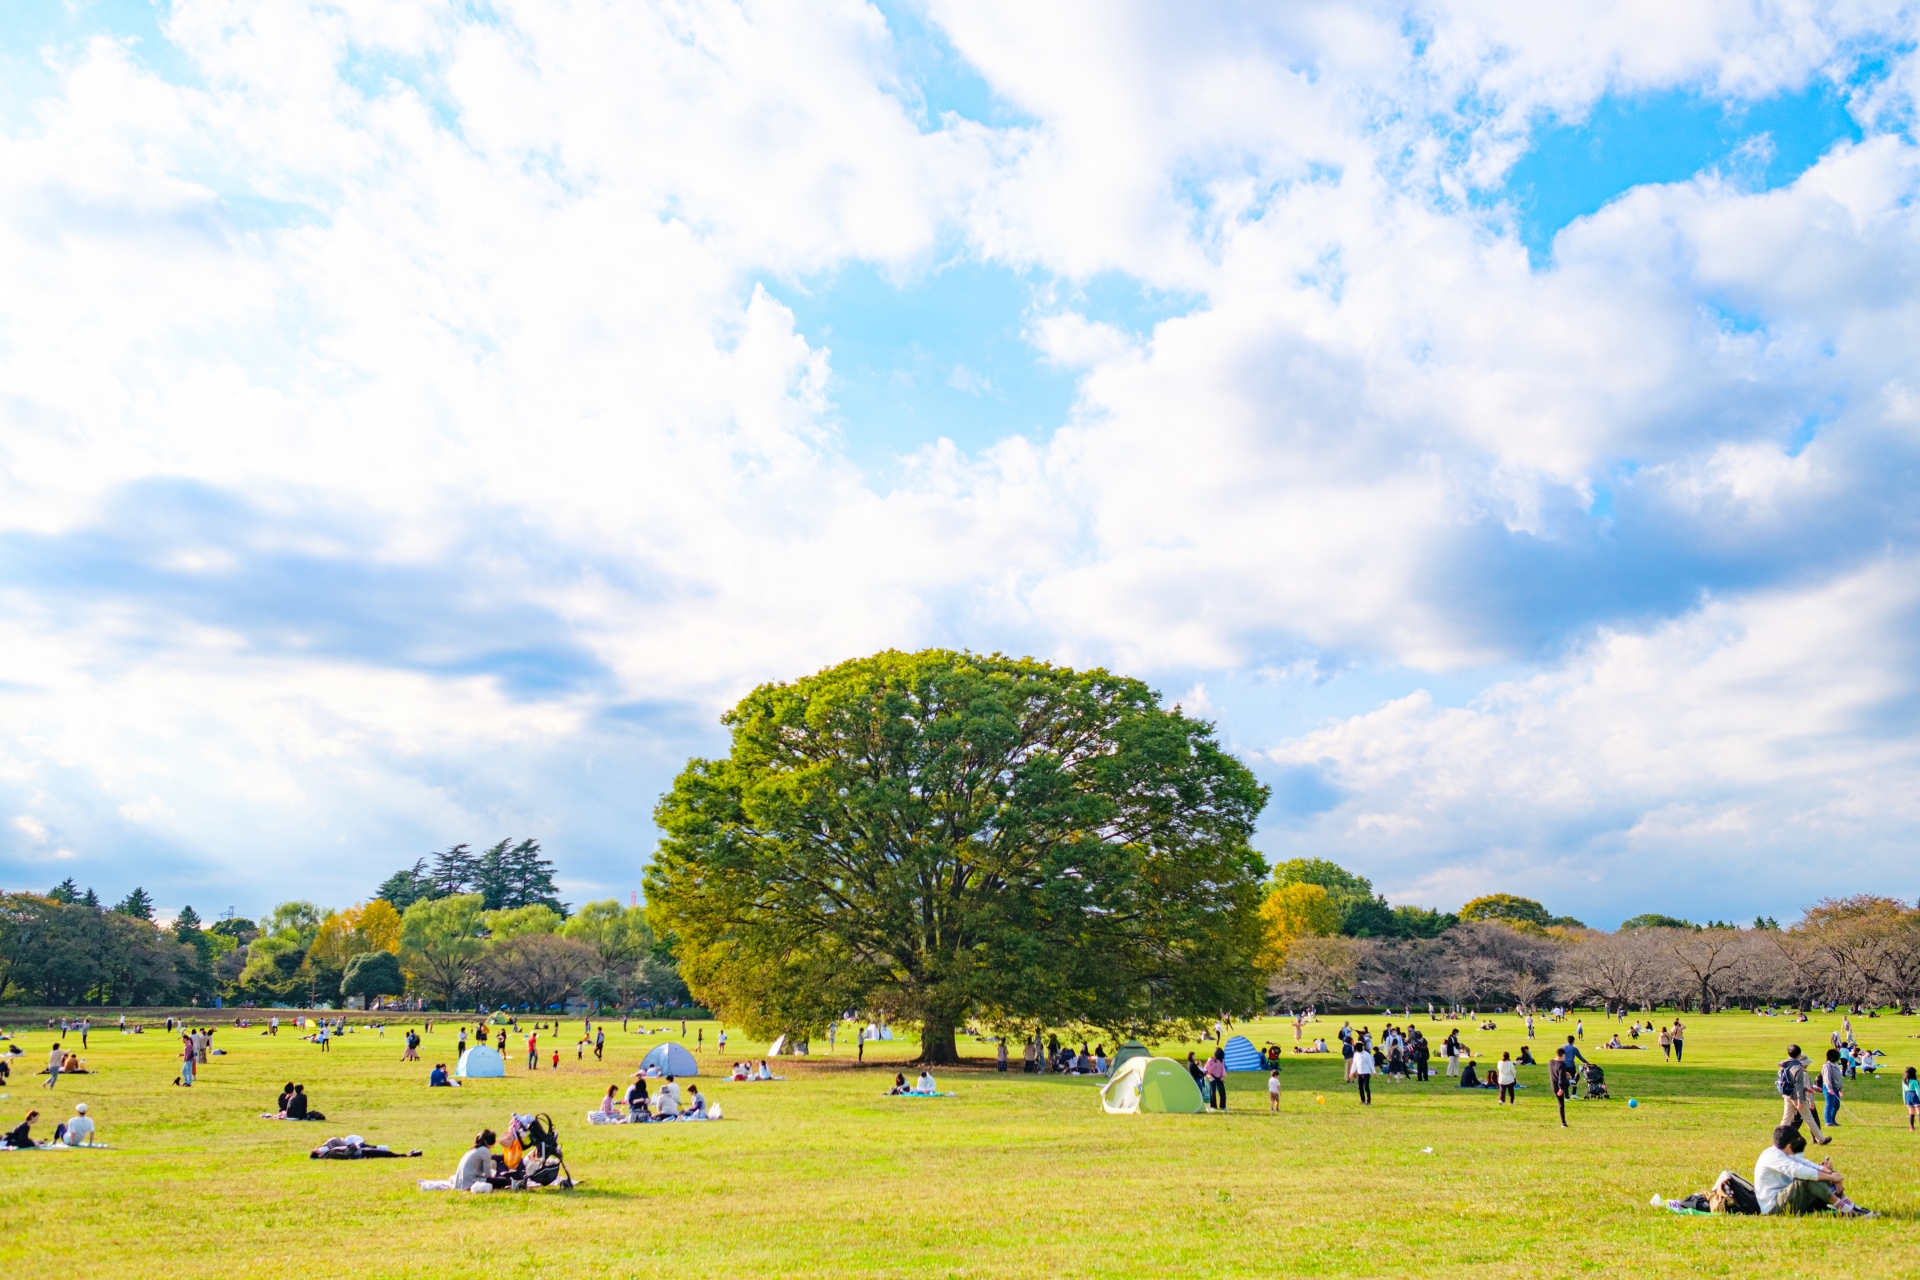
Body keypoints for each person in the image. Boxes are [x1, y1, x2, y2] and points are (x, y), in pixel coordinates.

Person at [1755, 1124, 1847, 1215]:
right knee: (1808, 1179)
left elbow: (1804, 1164)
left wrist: (1830, 1172)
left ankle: (1849, 1205)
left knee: (1817, 1176)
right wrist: (1832, 1178)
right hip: (1774, 1207)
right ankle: (1846, 1209)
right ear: (1789, 1146)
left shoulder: (1782, 1152)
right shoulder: (1773, 1156)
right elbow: (1800, 1171)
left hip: (1785, 1197)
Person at [1778, 1046, 1830, 1144]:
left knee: (1786, 1119)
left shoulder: (1784, 1064)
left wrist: (1807, 1089)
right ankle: (1821, 1139)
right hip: (1796, 1097)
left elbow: (1791, 1082)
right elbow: (1798, 1085)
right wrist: (1800, 1101)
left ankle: (1779, 1140)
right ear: (1799, 1055)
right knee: (1809, 1118)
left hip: (1786, 1094)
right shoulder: (1798, 1068)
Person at [1822, 1048, 1846, 1128]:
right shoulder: (1827, 1066)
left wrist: (1840, 1088)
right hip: (1829, 1087)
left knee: (1836, 1105)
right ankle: (1828, 1121)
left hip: (1836, 1087)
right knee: (1830, 1105)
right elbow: (1827, 1078)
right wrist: (1829, 1088)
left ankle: (1833, 1120)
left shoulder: (1835, 1065)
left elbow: (1838, 1078)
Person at [1350, 1041, 1375, 1105]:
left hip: (1366, 1073)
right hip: (1359, 1073)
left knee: (1366, 1087)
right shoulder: (1356, 1054)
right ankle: (1363, 1100)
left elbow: (1371, 1064)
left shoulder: (1366, 1054)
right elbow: (1354, 1064)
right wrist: (1351, 1072)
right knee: (1360, 1087)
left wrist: (1374, 1072)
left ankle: (1368, 1101)